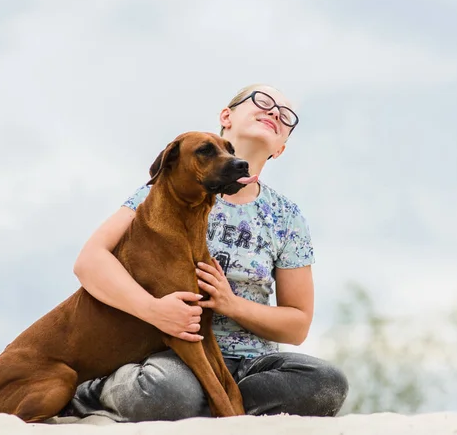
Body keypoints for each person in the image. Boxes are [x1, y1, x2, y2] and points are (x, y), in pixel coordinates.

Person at [64, 84, 349, 422]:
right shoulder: (164, 191)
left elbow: (297, 325)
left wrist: (232, 304)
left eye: (286, 115)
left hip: (252, 366)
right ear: (226, 116)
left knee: (328, 384)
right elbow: (90, 262)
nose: (274, 112)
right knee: (167, 390)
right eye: (263, 101)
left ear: (281, 148)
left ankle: (212, 402)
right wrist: (153, 310)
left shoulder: (287, 217)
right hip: (176, 356)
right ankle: (98, 392)